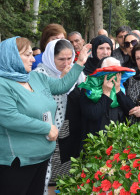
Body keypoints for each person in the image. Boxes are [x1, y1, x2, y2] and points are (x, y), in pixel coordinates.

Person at [0, 36, 90, 195]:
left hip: (41, 158)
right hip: (18, 162)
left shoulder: (35, 77)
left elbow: (63, 85)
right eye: (27, 55)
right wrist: (46, 128)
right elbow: (9, 117)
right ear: (11, 56)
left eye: (31, 54)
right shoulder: (3, 84)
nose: (33, 59)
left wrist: (80, 62)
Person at [33, 39, 86, 194]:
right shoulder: (40, 74)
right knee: (43, 172)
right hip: (44, 130)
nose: (66, 63)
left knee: (63, 174)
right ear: (50, 57)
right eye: (61, 59)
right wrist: (63, 80)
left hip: (67, 129)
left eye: (69, 58)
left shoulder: (76, 72)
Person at [80, 57, 129, 143]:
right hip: (95, 142)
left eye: (118, 72)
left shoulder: (122, 86)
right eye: (110, 72)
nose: (114, 76)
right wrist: (106, 94)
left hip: (119, 140)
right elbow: (94, 114)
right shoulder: (89, 88)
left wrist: (118, 92)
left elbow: (130, 110)